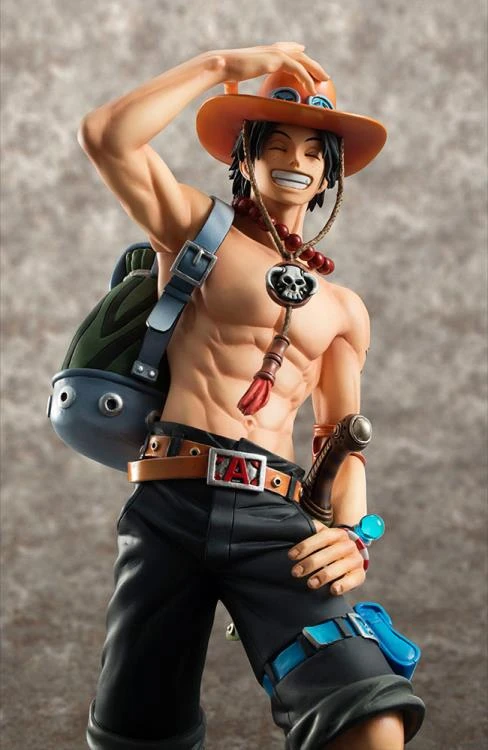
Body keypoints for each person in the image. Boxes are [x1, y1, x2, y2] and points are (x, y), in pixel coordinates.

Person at [79, 43, 425, 750]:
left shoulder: (342, 308)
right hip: (171, 501)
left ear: (330, 174)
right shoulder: (194, 230)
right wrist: (221, 65)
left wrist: (354, 536)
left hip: (275, 516)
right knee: (133, 734)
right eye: (276, 143)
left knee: (369, 716)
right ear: (245, 156)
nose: (296, 159)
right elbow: (108, 136)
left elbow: (340, 437)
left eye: (314, 151)